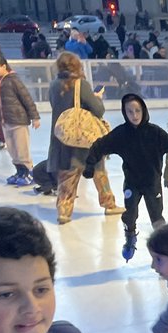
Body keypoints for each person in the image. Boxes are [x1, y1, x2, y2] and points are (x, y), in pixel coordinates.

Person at [83, 93, 168, 261]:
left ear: (143, 110)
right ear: (124, 112)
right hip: (132, 183)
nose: (134, 115)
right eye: (130, 111)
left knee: (156, 217)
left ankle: (163, 249)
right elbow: (99, 146)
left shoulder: (155, 133)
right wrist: (89, 165)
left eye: (137, 111)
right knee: (130, 214)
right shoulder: (121, 135)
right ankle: (130, 236)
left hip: (152, 184)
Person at [48, 52, 125, 225]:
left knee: (68, 175)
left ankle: (64, 211)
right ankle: (109, 205)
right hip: (83, 139)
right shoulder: (80, 84)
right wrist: (97, 98)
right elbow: (97, 110)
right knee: (99, 171)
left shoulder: (54, 85)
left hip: (63, 138)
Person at [0, 54, 41, 186]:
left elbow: (26, 98)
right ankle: (20, 171)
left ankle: (29, 172)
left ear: (4, 66)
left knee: (22, 149)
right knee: (12, 150)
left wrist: (35, 117)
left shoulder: (13, 80)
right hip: (4, 120)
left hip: (18, 120)